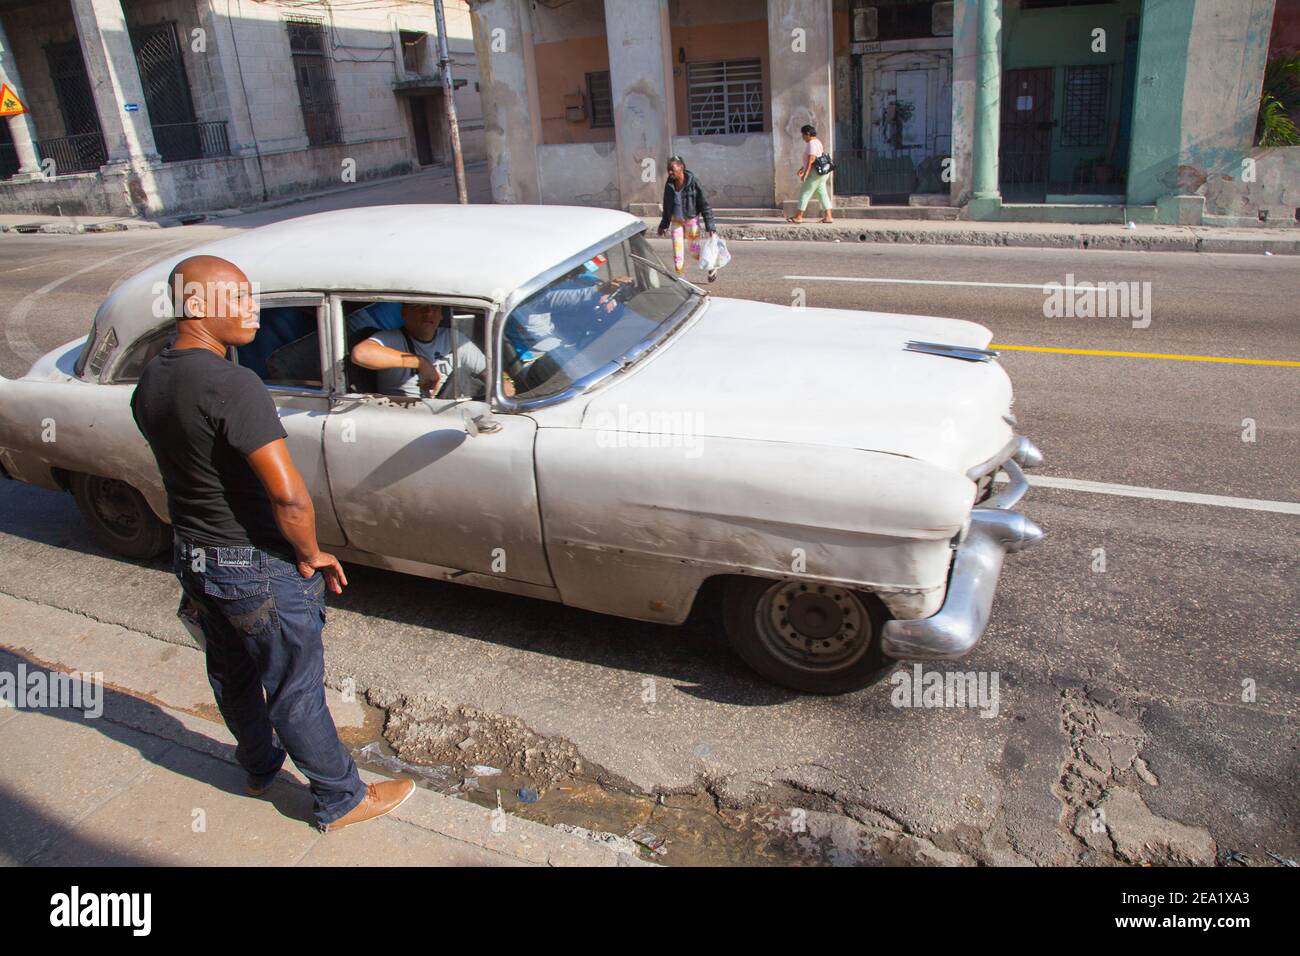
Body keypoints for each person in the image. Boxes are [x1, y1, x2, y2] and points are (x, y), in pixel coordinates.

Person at [131, 254, 415, 832]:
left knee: (232, 672)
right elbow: (289, 497)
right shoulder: (233, 384)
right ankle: (341, 797)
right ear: (194, 307)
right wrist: (312, 553)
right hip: (252, 564)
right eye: (236, 297)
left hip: (195, 557)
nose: (252, 308)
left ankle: (259, 766)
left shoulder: (154, 376)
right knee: (293, 685)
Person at [350, 302, 489, 399]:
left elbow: (488, 374)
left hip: (450, 413)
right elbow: (361, 354)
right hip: (407, 416)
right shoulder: (392, 339)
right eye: (419, 306)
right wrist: (420, 363)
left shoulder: (453, 337)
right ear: (404, 313)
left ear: (441, 315)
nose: (428, 312)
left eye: (434, 307)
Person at [656, 156, 718, 281]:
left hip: (691, 220)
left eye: (672, 169)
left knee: (694, 251)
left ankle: (711, 266)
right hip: (676, 221)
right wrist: (664, 224)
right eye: (668, 170)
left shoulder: (693, 182)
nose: (670, 172)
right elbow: (667, 206)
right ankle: (681, 277)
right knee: (677, 251)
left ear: (681, 168)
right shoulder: (669, 185)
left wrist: (710, 226)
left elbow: (705, 204)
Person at [788, 124, 834, 224]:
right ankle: (828, 216)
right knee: (822, 194)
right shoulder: (818, 142)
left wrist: (805, 173)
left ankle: (798, 216)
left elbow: (812, 159)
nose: (803, 137)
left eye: (803, 135)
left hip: (814, 174)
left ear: (808, 134)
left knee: (804, 193)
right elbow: (816, 158)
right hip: (821, 173)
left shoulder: (811, 143)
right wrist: (802, 168)